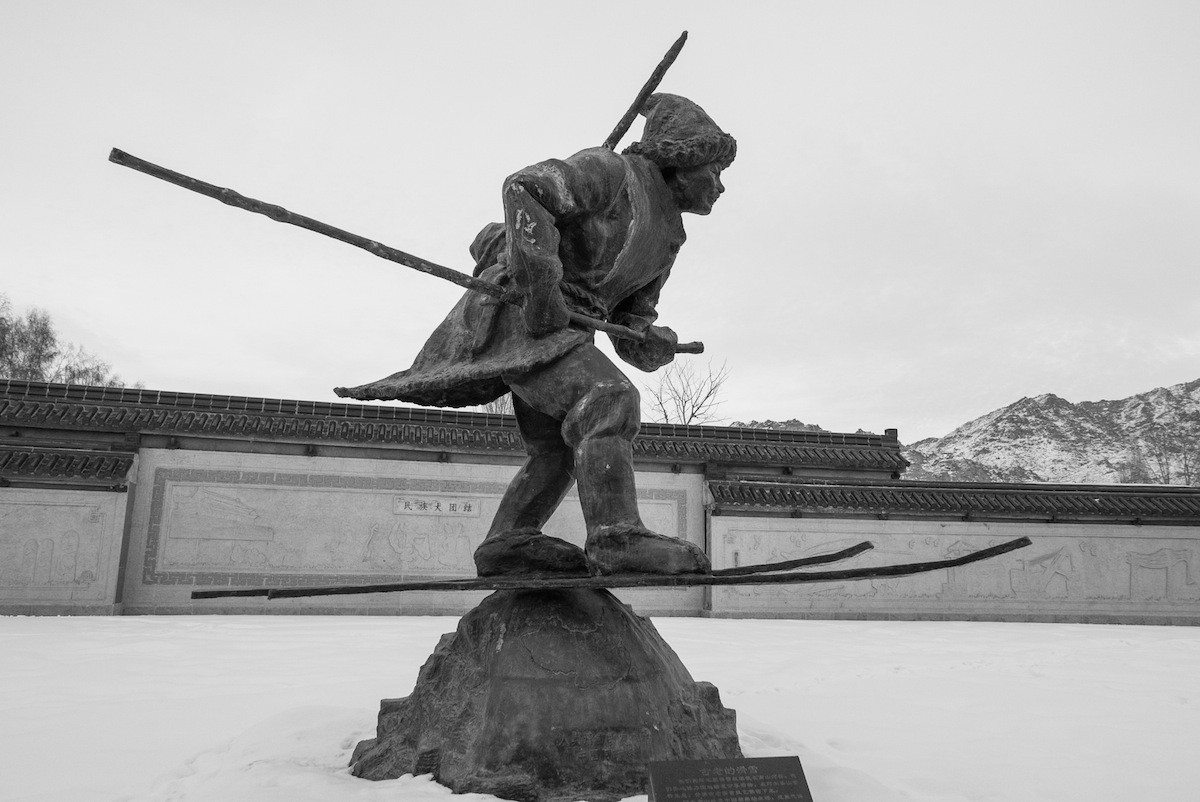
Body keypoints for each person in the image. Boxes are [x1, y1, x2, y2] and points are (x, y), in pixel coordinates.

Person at [336, 93, 735, 577]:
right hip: (521, 317)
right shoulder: (611, 173)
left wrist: (652, 343)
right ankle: (616, 537)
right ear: (681, 160)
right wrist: (542, 289)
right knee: (609, 398)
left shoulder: (669, 238)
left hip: (569, 333)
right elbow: (525, 188)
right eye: (714, 170)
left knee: (556, 448)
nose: (719, 186)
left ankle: (508, 540)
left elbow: (630, 324)